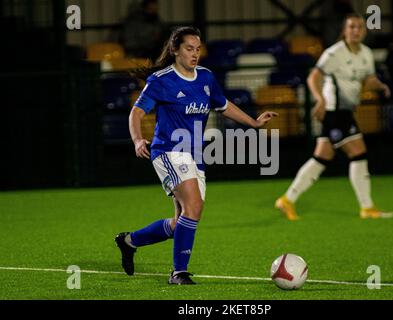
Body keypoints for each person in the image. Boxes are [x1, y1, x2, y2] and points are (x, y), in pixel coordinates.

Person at [115, 26, 278, 285]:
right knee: (194, 206)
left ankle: (129, 241)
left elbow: (223, 105)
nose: (194, 54)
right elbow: (136, 113)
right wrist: (137, 140)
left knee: (182, 220)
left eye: (198, 49)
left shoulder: (206, 77)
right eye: (189, 48)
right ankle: (178, 272)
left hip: (195, 156)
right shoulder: (161, 80)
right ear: (175, 50)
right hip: (168, 152)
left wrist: (254, 123)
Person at [275, 13, 393, 221]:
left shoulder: (366, 53)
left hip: (346, 111)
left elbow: (369, 78)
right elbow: (314, 77)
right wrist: (319, 100)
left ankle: (287, 200)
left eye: (359, 27)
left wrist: (379, 85)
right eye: (352, 27)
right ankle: (367, 207)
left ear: (364, 30)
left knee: (321, 157)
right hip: (333, 111)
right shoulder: (334, 53)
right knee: (358, 152)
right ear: (344, 31)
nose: (356, 31)